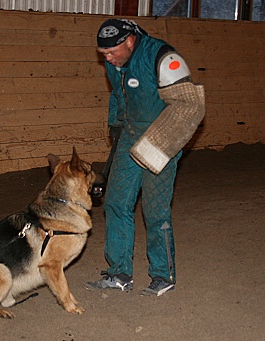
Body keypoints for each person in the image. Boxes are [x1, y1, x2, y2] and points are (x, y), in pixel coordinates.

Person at [85, 18, 193, 296]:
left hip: (162, 138)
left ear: (130, 41)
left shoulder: (161, 57)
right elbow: (118, 97)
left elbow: (189, 104)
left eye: (112, 53)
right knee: (116, 202)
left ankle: (162, 275)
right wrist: (115, 125)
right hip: (131, 135)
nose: (108, 59)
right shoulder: (114, 62)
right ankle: (119, 272)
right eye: (103, 54)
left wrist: (167, 143)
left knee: (155, 211)